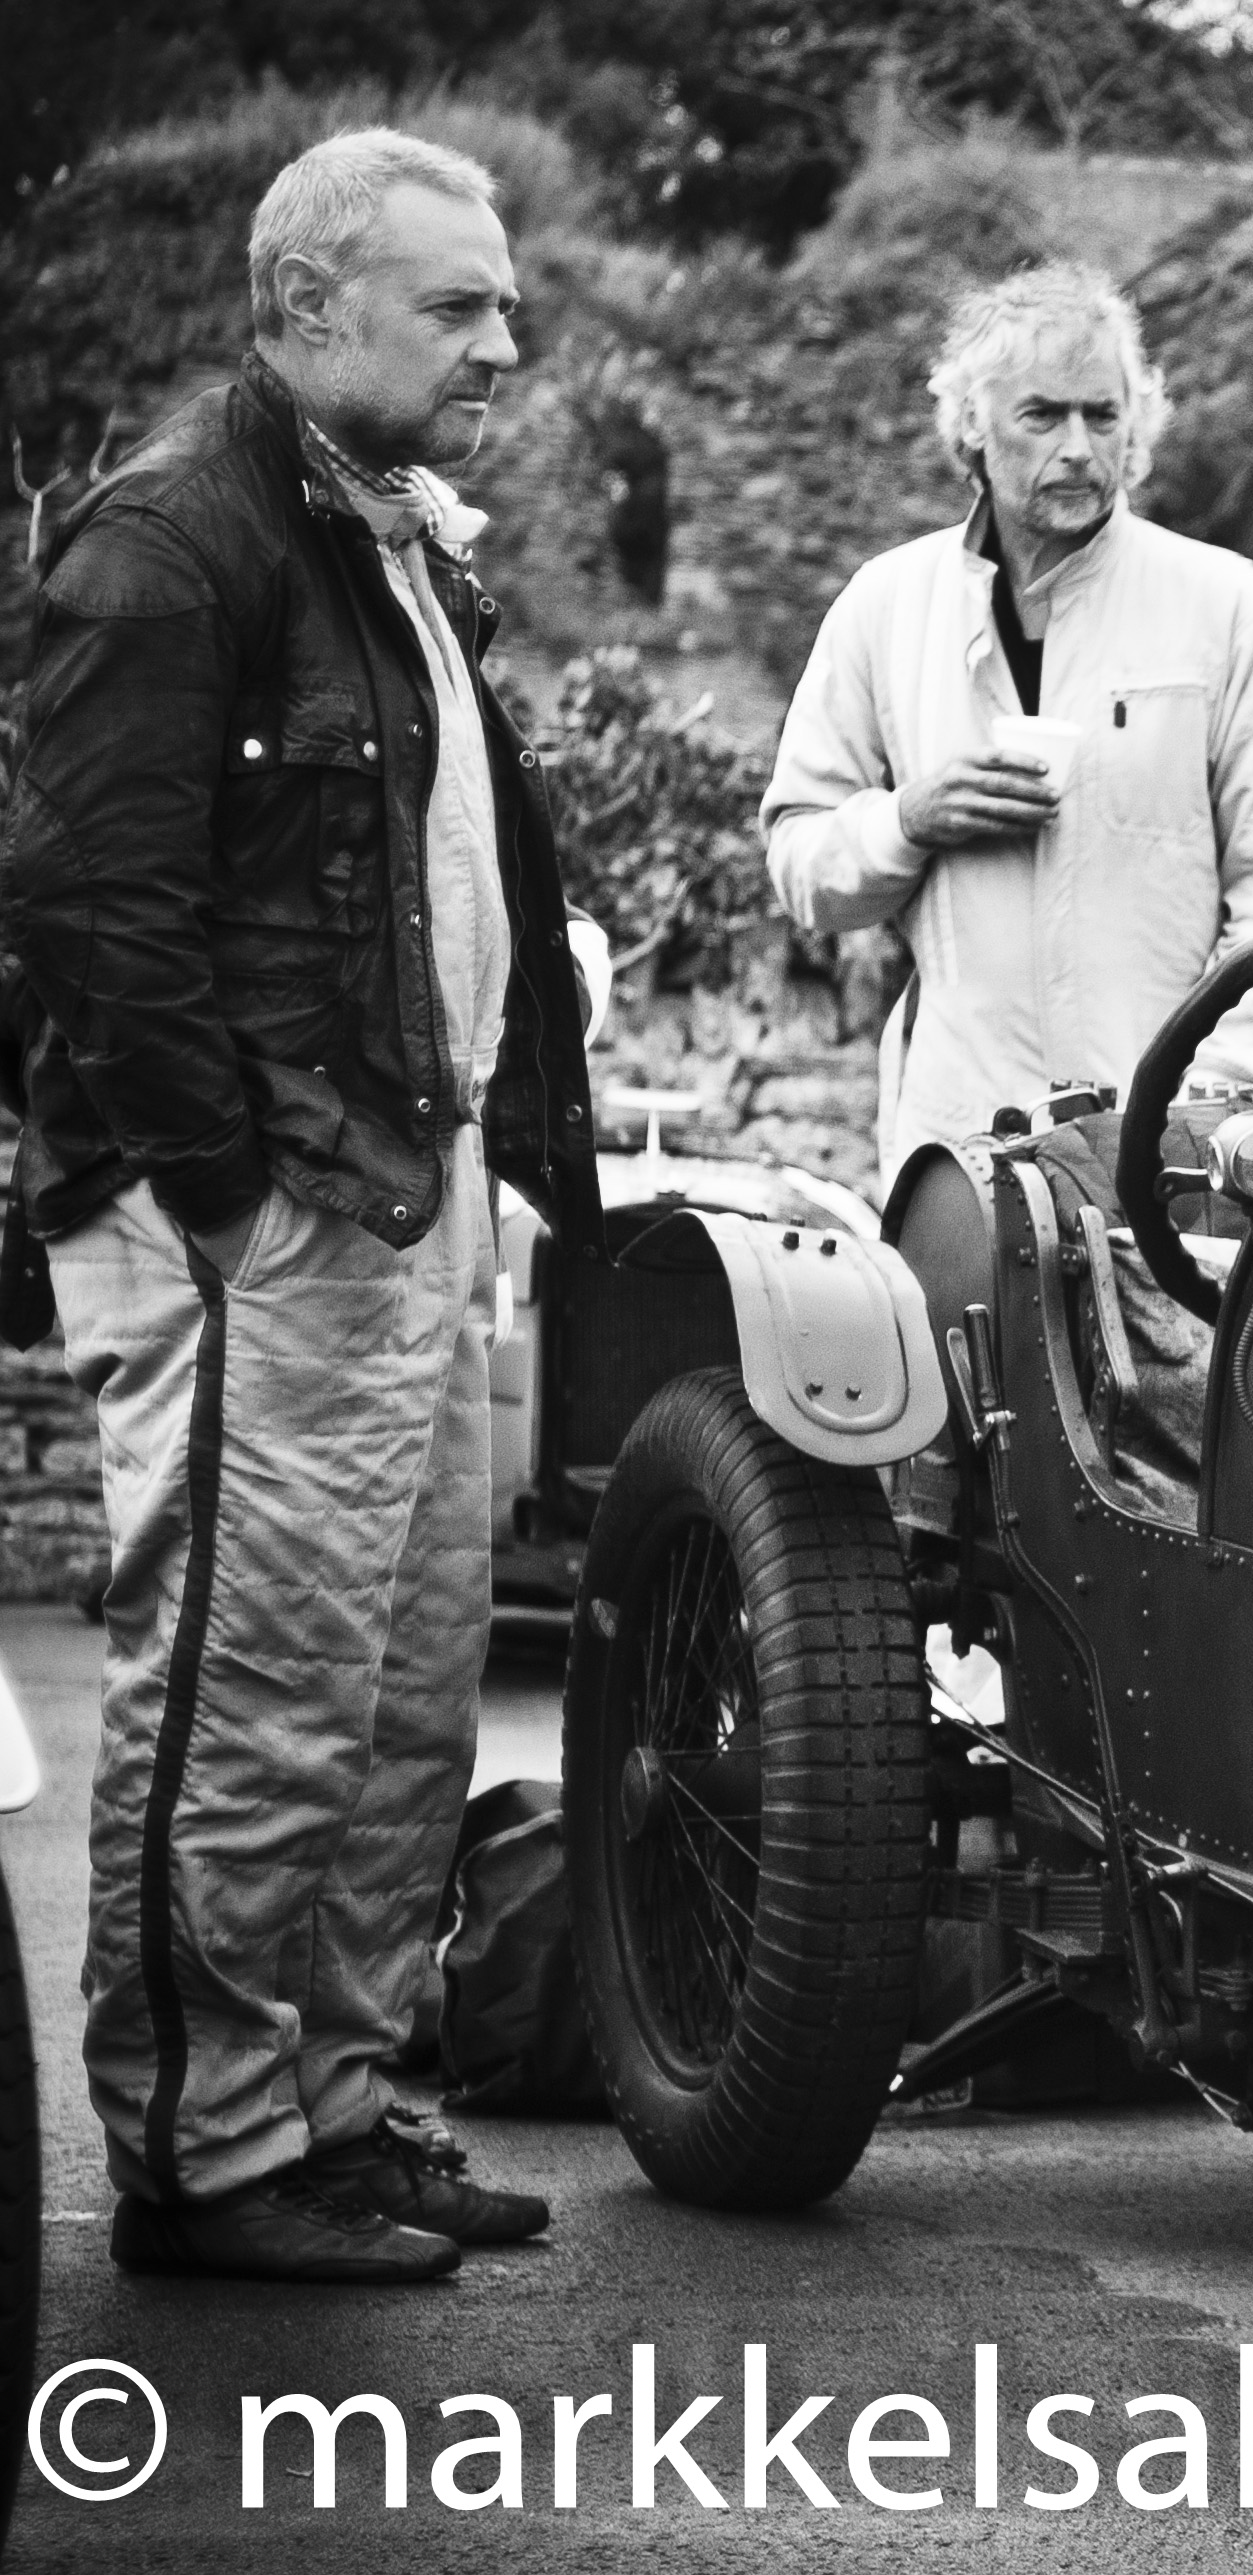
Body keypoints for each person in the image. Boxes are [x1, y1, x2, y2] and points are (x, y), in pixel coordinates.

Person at [1, 128, 602, 2281]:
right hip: (260, 1218)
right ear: (305, 311)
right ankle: (208, 2146)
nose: (502, 343)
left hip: (396, 1187)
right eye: (455, 306)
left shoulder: (373, 534)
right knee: (247, 1693)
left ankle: (338, 2110)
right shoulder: (177, 539)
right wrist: (230, 1200)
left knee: (400, 1689)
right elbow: (85, 900)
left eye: (502, 302)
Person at [761, 261, 1253, 1178]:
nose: (1078, 447)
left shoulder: (1223, 606)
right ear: (972, 428)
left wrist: (1196, 1105)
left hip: (1164, 1159)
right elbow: (802, 867)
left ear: (1135, 426)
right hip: (952, 1154)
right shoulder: (886, 604)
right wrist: (905, 820)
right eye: (1042, 415)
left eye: (1101, 416)